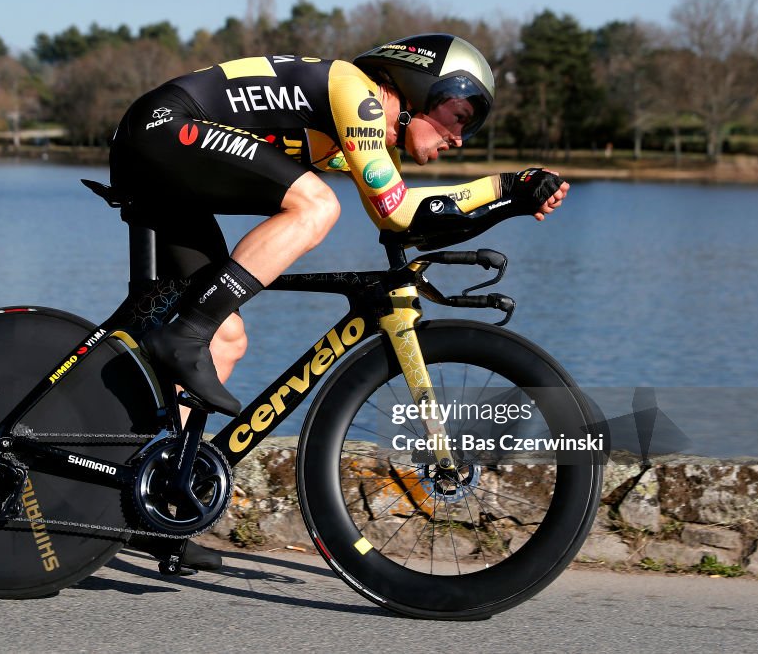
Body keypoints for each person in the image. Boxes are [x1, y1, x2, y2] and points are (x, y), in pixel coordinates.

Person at [109, 34, 569, 571]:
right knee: (316, 204)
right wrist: (504, 184)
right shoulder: (358, 92)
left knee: (225, 339)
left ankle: (151, 501)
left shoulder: (361, 125)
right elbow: (396, 215)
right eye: (457, 114)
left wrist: (513, 196)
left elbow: (414, 221)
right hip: (163, 129)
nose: (458, 137)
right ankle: (182, 334)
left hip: (165, 157)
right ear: (420, 88)